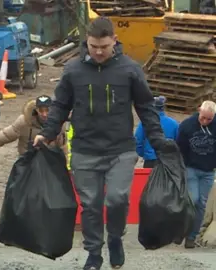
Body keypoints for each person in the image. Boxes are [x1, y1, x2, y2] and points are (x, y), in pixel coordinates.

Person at [33, 17, 168, 270]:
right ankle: (94, 253)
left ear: (114, 41)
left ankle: (115, 238)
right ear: (87, 41)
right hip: (85, 150)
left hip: (120, 150)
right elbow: (61, 104)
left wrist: (158, 139)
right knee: (91, 205)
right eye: (93, 45)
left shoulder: (130, 69)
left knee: (116, 199)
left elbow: (146, 107)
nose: (97, 51)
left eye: (103, 46)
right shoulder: (73, 70)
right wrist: (48, 132)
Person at [0, 95, 66, 169]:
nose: (44, 114)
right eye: (41, 110)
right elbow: (1, 138)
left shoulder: (59, 124)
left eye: (47, 110)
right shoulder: (24, 122)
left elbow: (64, 147)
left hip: (51, 166)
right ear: (36, 110)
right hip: (27, 165)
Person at [176, 100, 216, 249]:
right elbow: (179, 148)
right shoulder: (187, 126)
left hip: (208, 171)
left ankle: (191, 237)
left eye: (209, 119)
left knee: (201, 204)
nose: (205, 121)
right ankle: (181, 230)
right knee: (193, 199)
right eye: (203, 117)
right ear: (199, 111)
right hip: (191, 168)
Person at [135, 96, 179, 168]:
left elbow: (138, 141)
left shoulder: (145, 123)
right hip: (169, 162)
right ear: (163, 107)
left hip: (150, 161)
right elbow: (178, 142)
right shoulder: (174, 124)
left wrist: (144, 154)